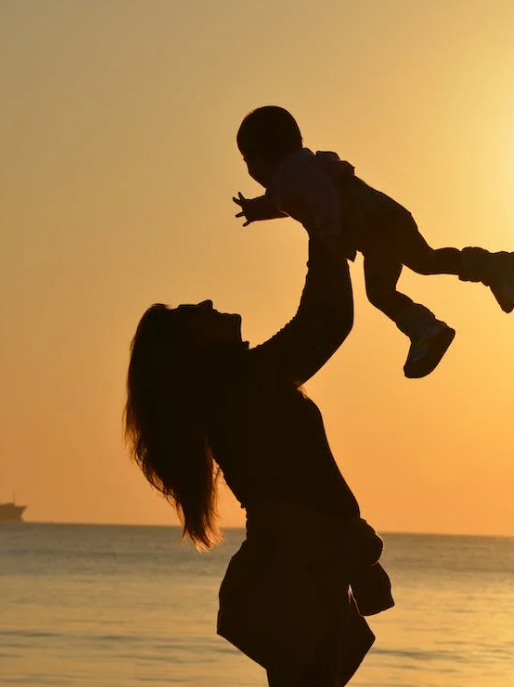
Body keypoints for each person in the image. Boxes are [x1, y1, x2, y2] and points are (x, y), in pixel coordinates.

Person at [124, 238, 391, 687]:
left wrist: (326, 233)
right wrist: (320, 225)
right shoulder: (245, 384)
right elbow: (324, 321)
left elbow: (329, 323)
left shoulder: (244, 384)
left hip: (303, 563)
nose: (209, 302)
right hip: (297, 566)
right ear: (194, 350)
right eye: (195, 313)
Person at [232, 105, 514, 379]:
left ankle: (430, 326)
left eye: (247, 161)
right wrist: (256, 210)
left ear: (259, 157)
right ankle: (481, 273)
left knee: (393, 283)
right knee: (421, 264)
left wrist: (328, 234)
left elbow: (321, 196)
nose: (249, 170)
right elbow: (284, 202)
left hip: (376, 224)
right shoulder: (297, 172)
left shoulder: (292, 174)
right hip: (380, 222)